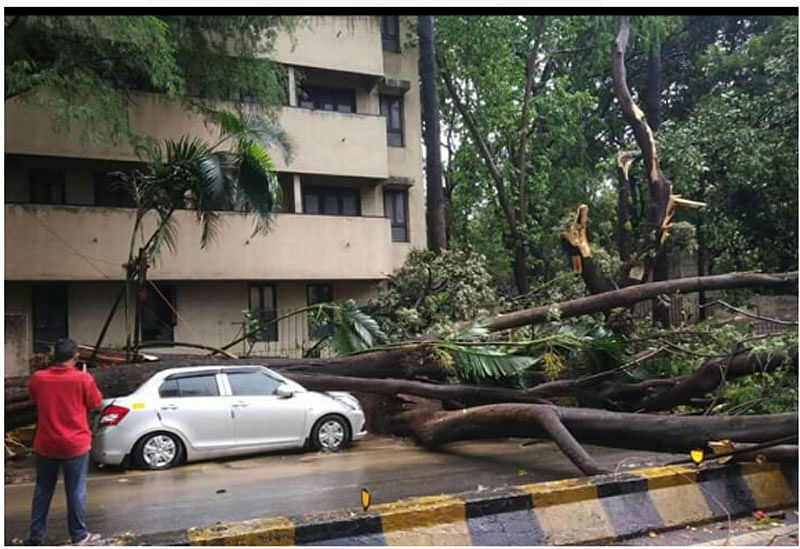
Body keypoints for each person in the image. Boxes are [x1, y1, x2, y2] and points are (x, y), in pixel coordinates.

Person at [26, 338, 104, 546]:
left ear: (53, 356)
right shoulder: (83, 379)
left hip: (46, 443)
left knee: (42, 490)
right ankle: (78, 536)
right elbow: (96, 402)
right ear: (76, 356)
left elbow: (35, 400)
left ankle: (35, 537)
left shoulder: (39, 378)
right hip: (75, 444)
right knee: (76, 491)